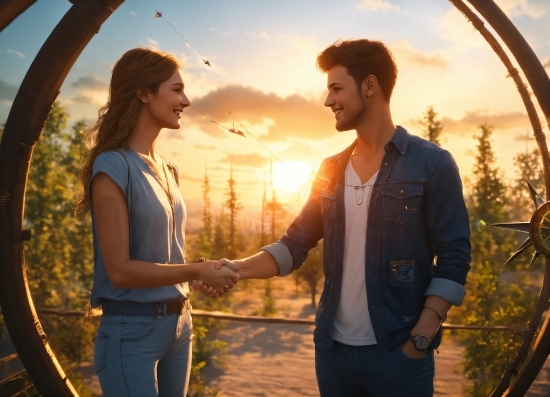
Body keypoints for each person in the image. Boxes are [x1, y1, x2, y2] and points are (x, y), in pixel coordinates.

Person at [195, 39, 471, 396]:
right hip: (333, 356)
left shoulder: (432, 164)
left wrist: (419, 340)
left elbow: (454, 259)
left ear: (370, 85)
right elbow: (294, 245)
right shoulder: (330, 170)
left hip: (399, 357)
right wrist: (236, 268)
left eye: (336, 88)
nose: (328, 101)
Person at [75, 47, 239, 397]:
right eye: (176, 89)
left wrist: (195, 273)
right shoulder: (112, 167)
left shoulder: (168, 168)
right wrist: (195, 271)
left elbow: (165, 256)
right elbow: (120, 271)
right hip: (130, 330)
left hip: (180, 326)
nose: (186, 99)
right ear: (144, 93)